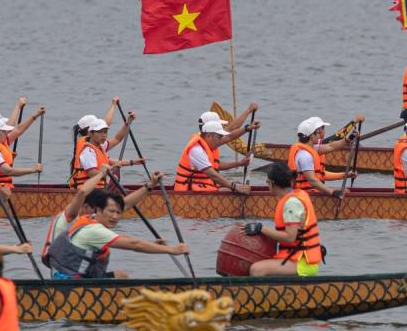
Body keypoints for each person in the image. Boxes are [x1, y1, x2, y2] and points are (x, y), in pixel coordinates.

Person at [47, 174, 188, 279]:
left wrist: (150, 186)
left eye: (118, 213)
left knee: (121, 276)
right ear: (96, 210)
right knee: (121, 277)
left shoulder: (89, 220)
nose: (115, 216)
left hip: (78, 276)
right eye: (111, 212)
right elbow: (134, 244)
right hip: (70, 283)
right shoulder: (90, 227)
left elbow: (123, 207)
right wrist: (171, 249)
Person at [244, 162, 325, 278]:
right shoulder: (298, 194)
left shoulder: (291, 203)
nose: (267, 185)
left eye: (267, 182)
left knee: (256, 269)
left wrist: (261, 228)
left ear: (272, 183)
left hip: (303, 262)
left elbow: (290, 237)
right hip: (295, 257)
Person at [172, 116, 257, 193]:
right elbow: (212, 174)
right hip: (188, 192)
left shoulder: (205, 142)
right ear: (209, 136)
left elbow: (216, 165)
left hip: (201, 186)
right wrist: (234, 187)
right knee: (232, 189)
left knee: (237, 184)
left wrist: (238, 164)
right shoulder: (197, 150)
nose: (221, 140)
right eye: (219, 137)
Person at [286, 116, 361, 197]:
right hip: (304, 194)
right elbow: (312, 180)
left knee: (345, 190)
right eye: (318, 133)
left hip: (310, 190)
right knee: (345, 191)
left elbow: (331, 146)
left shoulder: (312, 148)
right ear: (312, 136)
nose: (320, 135)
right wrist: (331, 192)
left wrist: (349, 138)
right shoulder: (305, 156)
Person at [69, 116, 143, 186]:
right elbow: (92, 174)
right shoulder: (88, 151)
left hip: (99, 189)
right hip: (89, 192)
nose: (104, 135)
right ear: (90, 133)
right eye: (100, 132)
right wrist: (112, 168)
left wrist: (133, 162)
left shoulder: (99, 147)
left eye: (105, 132)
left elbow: (117, 139)